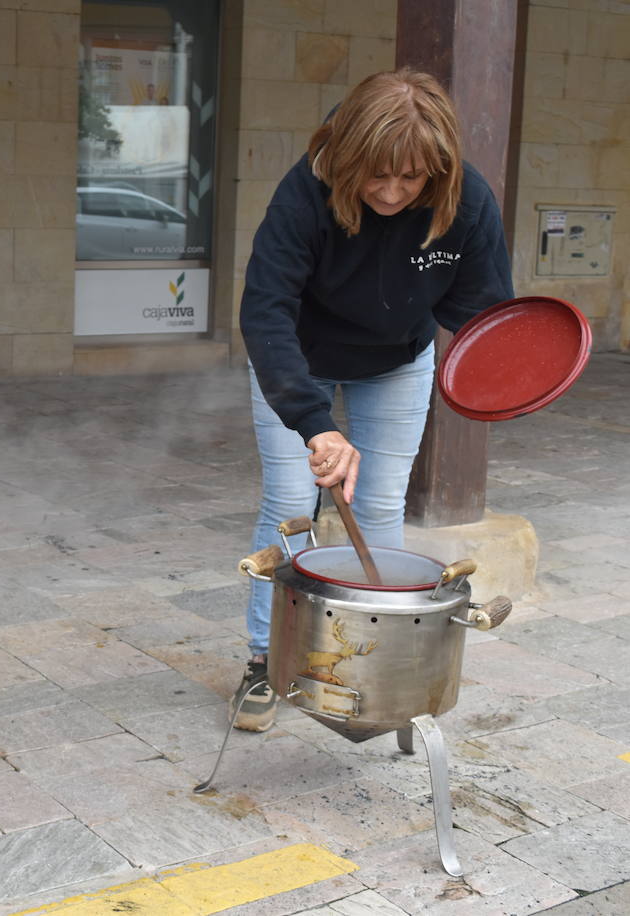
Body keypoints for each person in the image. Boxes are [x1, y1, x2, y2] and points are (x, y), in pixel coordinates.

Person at [232, 68, 513, 731]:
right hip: (296, 354)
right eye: (375, 176)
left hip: (396, 359)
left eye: (410, 179)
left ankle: (375, 657)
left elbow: (486, 317)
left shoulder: (467, 201)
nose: (390, 192)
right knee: (289, 503)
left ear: (437, 171)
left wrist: (511, 375)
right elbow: (265, 312)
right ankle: (263, 662)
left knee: (382, 502)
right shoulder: (307, 189)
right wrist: (312, 423)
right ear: (349, 156)